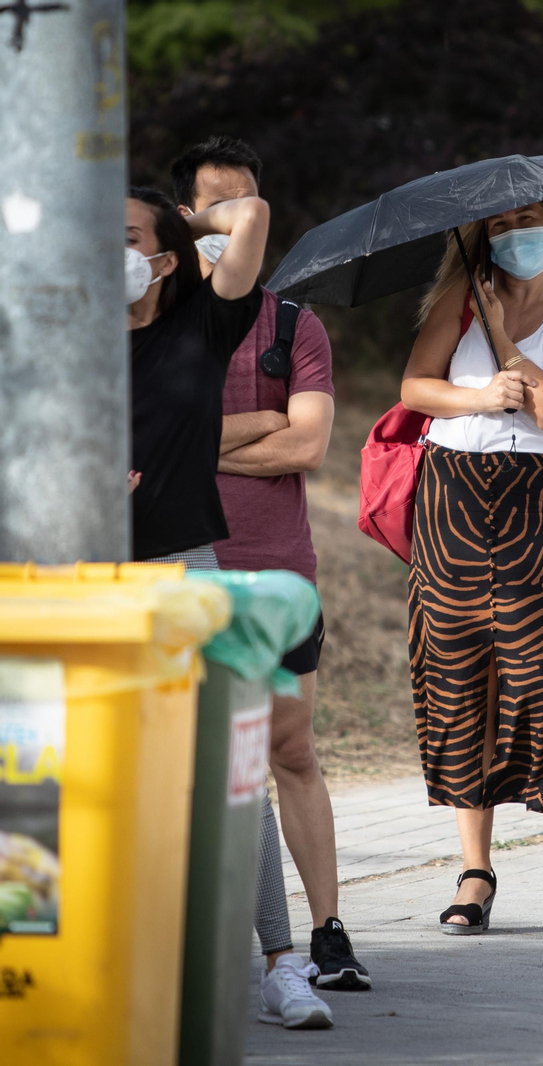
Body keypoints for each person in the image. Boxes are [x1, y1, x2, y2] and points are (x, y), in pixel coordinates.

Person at [125, 184, 337, 1025]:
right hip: (88, 578)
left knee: (231, 773)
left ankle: (283, 966)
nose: (112, 249)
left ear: (166, 257)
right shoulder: (62, 338)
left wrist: (180, 221)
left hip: (187, 570)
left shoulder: (199, 325)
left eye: (131, 237)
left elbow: (249, 215)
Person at [170, 136, 371, 998]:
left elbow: (313, 442)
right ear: (184, 220)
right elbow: (146, 446)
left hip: (280, 574)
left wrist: (203, 445)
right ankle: (211, 944)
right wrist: (258, 428)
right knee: (195, 762)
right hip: (178, 567)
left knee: (288, 749)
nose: (231, 227)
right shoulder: (160, 324)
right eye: (213, 211)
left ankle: (325, 934)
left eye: (243, 206)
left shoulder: (295, 324)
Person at [402, 196, 543, 936]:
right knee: (457, 678)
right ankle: (475, 871)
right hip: (449, 493)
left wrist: (498, 334)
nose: (511, 236)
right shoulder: (460, 292)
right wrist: (478, 395)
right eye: (496, 226)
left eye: (525, 222)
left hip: (531, 498)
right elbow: (414, 387)